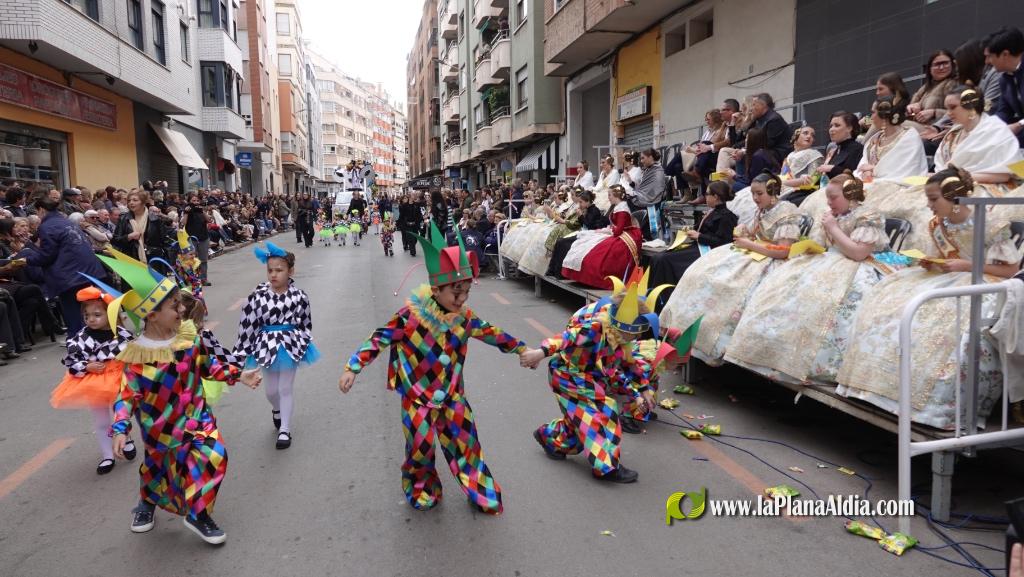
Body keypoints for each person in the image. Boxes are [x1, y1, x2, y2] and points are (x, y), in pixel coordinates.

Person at [338, 223, 533, 514]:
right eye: (456, 292)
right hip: (417, 397)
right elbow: (379, 338)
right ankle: (422, 488)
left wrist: (521, 348)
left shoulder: (464, 318)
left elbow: (491, 333)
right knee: (420, 448)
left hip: (452, 396)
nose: (462, 299)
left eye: (466, 292)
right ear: (435, 289)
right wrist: (353, 366)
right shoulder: (409, 317)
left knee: (466, 444)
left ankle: (479, 490)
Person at [837, 166, 1023, 429]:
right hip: (950, 278)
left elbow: (1010, 270)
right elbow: (949, 258)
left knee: (943, 323)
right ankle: (879, 390)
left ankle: (934, 408)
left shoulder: (989, 224)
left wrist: (965, 266)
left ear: (955, 196)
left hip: (984, 283)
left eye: (934, 199)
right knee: (887, 305)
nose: (928, 204)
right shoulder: (938, 225)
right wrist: (933, 263)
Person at [101, 249, 261, 544]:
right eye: (174, 306)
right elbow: (126, 395)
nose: (182, 310)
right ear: (151, 315)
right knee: (157, 469)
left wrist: (239, 374)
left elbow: (207, 365)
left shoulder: (189, 339)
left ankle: (198, 513)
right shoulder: (137, 356)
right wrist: (121, 429)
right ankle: (147, 503)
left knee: (214, 455)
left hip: (198, 417)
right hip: (160, 428)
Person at [726, 174, 890, 385]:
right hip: (831, 262)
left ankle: (819, 365)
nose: (829, 203)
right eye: (828, 198)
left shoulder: (869, 215)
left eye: (833, 198)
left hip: (859, 268)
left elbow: (858, 253)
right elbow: (823, 244)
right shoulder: (833, 215)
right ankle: (776, 353)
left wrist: (833, 228)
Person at [520, 271, 663, 483]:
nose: (637, 338)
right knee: (604, 412)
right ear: (622, 325)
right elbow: (565, 338)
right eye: (635, 333)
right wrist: (539, 353)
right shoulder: (596, 328)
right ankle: (606, 468)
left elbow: (628, 365)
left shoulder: (621, 340)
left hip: (585, 377)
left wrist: (642, 391)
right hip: (567, 374)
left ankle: (550, 437)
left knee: (580, 424)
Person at [659, 173, 804, 366]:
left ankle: (716, 340)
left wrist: (749, 244)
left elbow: (784, 250)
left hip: (772, 262)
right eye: (753, 193)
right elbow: (756, 236)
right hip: (754, 255)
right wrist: (747, 235)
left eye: (759, 193)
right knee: (702, 274)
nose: (755, 198)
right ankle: (687, 334)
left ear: (772, 191)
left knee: (729, 286)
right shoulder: (763, 209)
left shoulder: (787, 211)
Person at [233, 243, 319, 450]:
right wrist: (239, 353)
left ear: (290, 271)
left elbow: (305, 322)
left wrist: (305, 339)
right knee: (271, 391)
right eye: (270, 270)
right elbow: (248, 324)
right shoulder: (257, 296)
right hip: (265, 345)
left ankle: (285, 430)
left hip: (290, 345)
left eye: (279, 270)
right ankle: (277, 410)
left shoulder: (299, 296)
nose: (274, 275)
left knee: (285, 388)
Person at [49, 286, 136, 474]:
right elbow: (71, 359)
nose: (91, 319)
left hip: (119, 379)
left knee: (120, 412)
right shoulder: (80, 338)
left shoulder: (121, 334)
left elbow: (134, 354)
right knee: (101, 420)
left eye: (97, 314)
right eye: (87, 316)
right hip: (94, 382)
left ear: (110, 314)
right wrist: (86, 366)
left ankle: (126, 439)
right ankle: (107, 455)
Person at [17, 197, 107, 337]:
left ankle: (78, 345)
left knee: (74, 315)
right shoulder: (66, 221)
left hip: (70, 276)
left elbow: (47, 255)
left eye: (37, 211)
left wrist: (27, 260)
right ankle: (91, 341)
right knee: (87, 311)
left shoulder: (47, 226)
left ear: (41, 209)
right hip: (87, 272)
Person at [648, 181, 739, 310]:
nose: (705, 197)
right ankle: (654, 298)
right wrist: (691, 230)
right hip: (699, 247)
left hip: (709, 252)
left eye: (707, 194)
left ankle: (664, 301)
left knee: (663, 260)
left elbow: (724, 242)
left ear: (716, 197)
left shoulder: (727, 216)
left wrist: (699, 236)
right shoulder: (712, 212)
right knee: (657, 257)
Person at [934, 87, 1023, 183]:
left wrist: (956, 178)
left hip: (989, 188)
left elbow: (1003, 176)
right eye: (947, 108)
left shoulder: (996, 131)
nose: (948, 113)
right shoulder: (953, 133)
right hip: (951, 184)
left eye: (953, 107)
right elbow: (942, 167)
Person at [561, 185, 641, 289]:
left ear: (616, 195)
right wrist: (605, 230)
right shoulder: (619, 206)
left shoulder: (622, 209)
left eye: (610, 195)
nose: (608, 197)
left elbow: (618, 231)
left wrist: (605, 231)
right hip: (619, 233)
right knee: (590, 243)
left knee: (600, 251)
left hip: (626, 236)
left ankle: (596, 278)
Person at [855, 97, 928, 182]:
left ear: (884, 116)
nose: (871, 117)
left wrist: (873, 171)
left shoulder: (909, 137)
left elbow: (907, 172)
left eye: (873, 113)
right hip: (869, 184)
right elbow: (861, 167)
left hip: (898, 187)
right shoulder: (874, 139)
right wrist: (865, 172)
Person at [545, 189, 608, 278]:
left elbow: (588, 225)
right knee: (559, 242)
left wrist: (580, 216)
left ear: (587, 202)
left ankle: (559, 273)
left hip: (590, 236)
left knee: (562, 243)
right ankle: (552, 270)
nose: (579, 204)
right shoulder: (586, 209)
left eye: (581, 202)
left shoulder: (594, 210)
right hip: (583, 233)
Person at [985, 26, 1024, 147]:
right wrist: (984, 128)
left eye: (990, 56)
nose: (987, 61)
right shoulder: (1005, 79)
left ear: (1005, 54)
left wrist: (1019, 125)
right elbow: (1004, 112)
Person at [112, 190, 172, 263]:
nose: (131, 203)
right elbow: (115, 241)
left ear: (143, 202)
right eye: (129, 200)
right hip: (132, 261)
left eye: (135, 200)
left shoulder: (154, 218)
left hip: (153, 261)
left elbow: (164, 240)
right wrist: (128, 237)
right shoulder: (123, 219)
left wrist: (169, 261)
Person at [907, 50, 958, 132]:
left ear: (952, 64)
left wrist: (934, 113)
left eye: (945, 63)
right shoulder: (925, 88)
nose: (941, 67)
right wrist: (911, 108)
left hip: (936, 130)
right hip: (920, 128)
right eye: (937, 64)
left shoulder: (954, 84)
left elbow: (960, 112)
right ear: (930, 68)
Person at [181, 193, 211, 286]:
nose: (195, 202)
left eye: (197, 200)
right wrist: (186, 212)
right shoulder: (187, 210)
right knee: (191, 259)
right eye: (193, 201)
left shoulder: (201, 210)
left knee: (203, 260)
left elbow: (209, 220)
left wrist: (202, 211)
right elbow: (183, 223)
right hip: (191, 237)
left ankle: (204, 279)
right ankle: (193, 280)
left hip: (204, 237)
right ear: (189, 201)